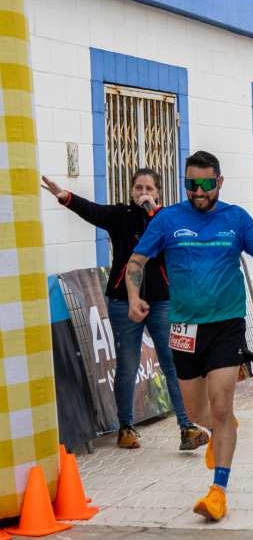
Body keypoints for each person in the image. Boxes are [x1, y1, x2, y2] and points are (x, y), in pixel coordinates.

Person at [125, 151, 253, 522]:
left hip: (226, 325)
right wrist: (134, 296)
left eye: (205, 184)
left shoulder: (235, 218)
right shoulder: (168, 219)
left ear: (219, 182)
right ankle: (221, 429)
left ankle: (218, 491)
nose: (198, 191)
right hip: (184, 328)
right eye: (191, 184)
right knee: (198, 412)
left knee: (221, 404)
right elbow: (136, 261)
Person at [41, 168, 208, 452]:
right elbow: (91, 210)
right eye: (138, 188)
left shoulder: (167, 219)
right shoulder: (120, 216)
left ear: (158, 193)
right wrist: (64, 196)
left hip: (161, 301)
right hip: (122, 301)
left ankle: (187, 427)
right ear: (131, 191)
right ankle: (126, 428)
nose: (143, 193)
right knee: (128, 365)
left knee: (172, 362)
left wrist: (154, 213)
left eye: (149, 188)